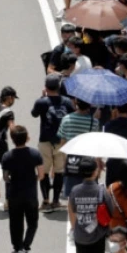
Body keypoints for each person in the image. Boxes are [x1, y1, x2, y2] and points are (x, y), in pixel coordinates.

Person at [1, 124, 44, 253]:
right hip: (30, 194)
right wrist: (34, 179)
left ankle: (17, 248)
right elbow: (41, 174)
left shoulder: (7, 156)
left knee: (15, 223)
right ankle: (25, 247)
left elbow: (6, 177)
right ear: (27, 137)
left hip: (14, 194)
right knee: (33, 222)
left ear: (12, 140)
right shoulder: (35, 153)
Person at [31, 73, 74, 211]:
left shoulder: (42, 102)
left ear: (46, 87)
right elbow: (72, 115)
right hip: (62, 141)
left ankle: (45, 200)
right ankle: (56, 200)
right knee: (59, 171)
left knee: (43, 171)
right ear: (59, 86)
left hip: (45, 140)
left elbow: (34, 114)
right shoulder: (67, 102)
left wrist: (42, 97)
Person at [68, 157, 115, 253]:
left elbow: (72, 210)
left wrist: (74, 228)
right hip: (98, 235)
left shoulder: (75, 190)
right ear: (96, 172)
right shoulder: (101, 191)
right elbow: (111, 212)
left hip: (80, 236)